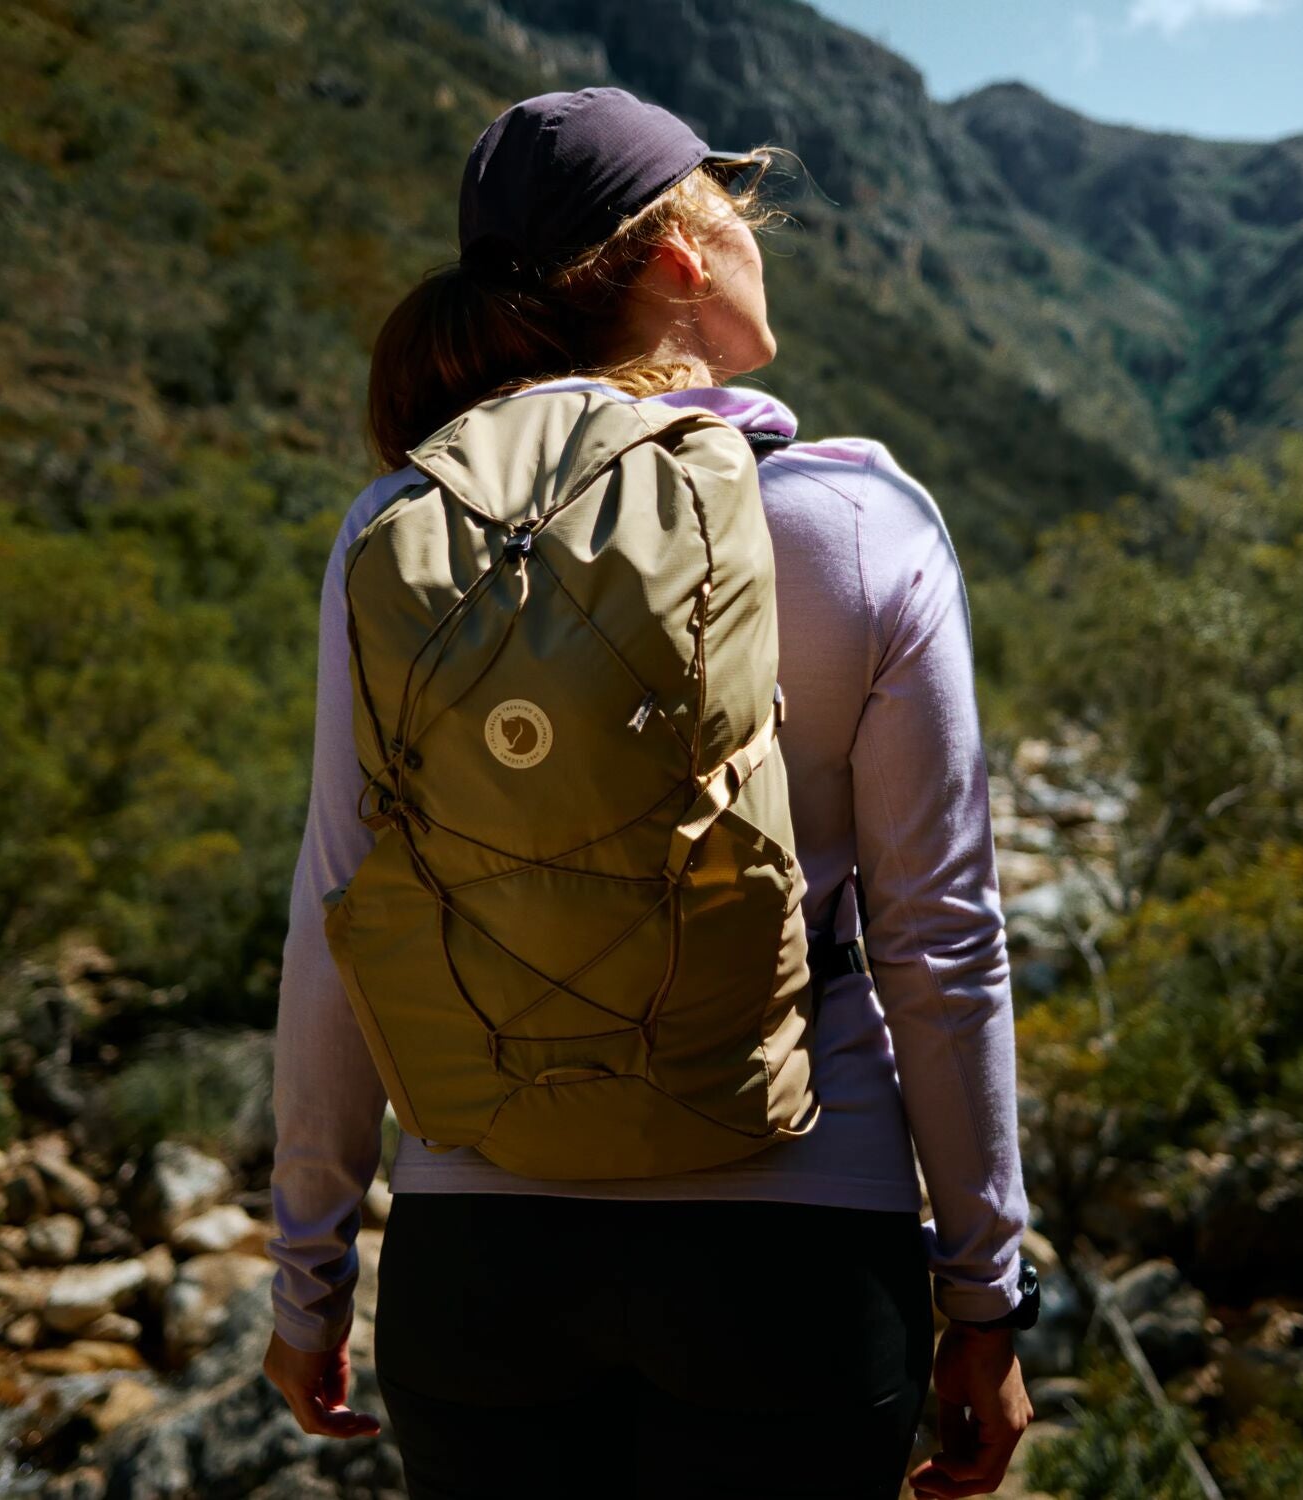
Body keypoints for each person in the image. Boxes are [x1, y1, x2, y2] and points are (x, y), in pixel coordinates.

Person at [263, 86, 1034, 1500]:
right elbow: (943, 946)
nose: (756, 229)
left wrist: (308, 1272)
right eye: (733, 202)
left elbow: (337, 916)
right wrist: (985, 1294)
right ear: (681, 249)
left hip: (479, 1264)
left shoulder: (398, 531)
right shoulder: (860, 528)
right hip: (794, 1258)